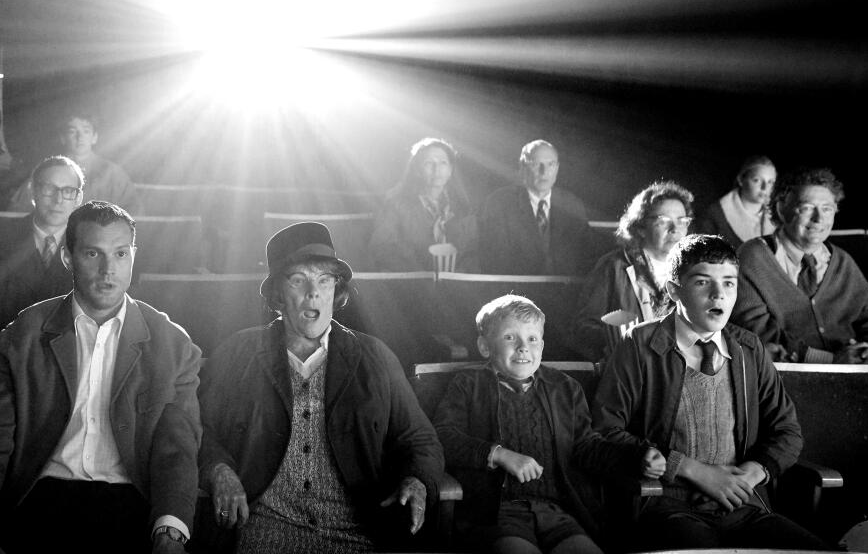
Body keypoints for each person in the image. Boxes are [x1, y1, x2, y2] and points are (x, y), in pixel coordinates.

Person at [0, 201, 201, 553]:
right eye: (92, 253)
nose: (107, 270)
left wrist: (170, 532)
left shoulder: (172, 344)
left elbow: (177, 451)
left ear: (133, 255)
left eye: (119, 254)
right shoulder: (23, 334)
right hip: (38, 498)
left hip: (132, 505)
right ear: (67, 257)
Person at [198, 222, 444, 553]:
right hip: (265, 528)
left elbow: (421, 440)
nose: (313, 292)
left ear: (335, 291)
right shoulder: (238, 353)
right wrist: (219, 470)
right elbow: (197, 429)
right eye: (298, 280)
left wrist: (417, 481)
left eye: (324, 280)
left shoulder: (374, 357)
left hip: (357, 531)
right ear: (277, 294)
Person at [591, 234, 829, 550]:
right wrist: (690, 469)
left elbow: (786, 432)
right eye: (704, 283)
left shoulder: (747, 347)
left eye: (729, 283)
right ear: (675, 289)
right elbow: (606, 430)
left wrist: (751, 474)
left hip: (742, 505)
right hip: (667, 506)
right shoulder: (639, 344)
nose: (719, 295)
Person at [433, 295, 659, 554]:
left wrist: (636, 457)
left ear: (542, 344)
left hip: (558, 512)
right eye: (509, 337)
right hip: (495, 513)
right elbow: (444, 437)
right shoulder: (467, 386)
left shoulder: (564, 388)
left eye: (532, 339)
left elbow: (587, 447)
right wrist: (498, 454)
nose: (522, 347)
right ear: (485, 346)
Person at [732, 167, 868, 364]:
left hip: (856, 374)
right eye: (806, 208)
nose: (818, 219)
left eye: (827, 209)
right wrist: (832, 361)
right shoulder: (751, 257)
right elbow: (757, 336)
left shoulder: (842, 261)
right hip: (788, 382)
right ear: (781, 209)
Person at [0, 155, 84, 357]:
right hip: (1, 355)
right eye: (49, 188)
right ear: (32, 191)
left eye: (68, 191)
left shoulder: (87, 246)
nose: (58, 199)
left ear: (78, 198)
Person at [570, 181, 694, 362]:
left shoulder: (694, 270)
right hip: (627, 368)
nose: (675, 229)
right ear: (641, 227)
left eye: (682, 221)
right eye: (664, 221)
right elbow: (583, 327)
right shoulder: (614, 266)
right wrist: (623, 338)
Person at [478, 140, 593, 277]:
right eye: (536, 164)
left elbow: (585, 257)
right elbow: (493, 261)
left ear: (557, 168)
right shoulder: (499, 203)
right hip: (514, 291)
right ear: (522, 167)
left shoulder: (572, 205)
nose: (544, 172)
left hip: (564, 293)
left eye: (550, 164)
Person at [369, 137, 479, 272]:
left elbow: (472, 251)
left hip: (456, 286)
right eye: (429, 163)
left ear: (450, 170)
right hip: (411, 283)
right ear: (417, 170)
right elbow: (383, 249)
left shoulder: (462, 206)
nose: (436, 169)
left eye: (443, 163)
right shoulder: (395, 204)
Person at [5, 109, 138, 214]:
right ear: (63, 138)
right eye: (72, 131)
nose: (80, 137)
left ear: (94, 137)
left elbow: (134, 213)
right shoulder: (46, 171)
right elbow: (18, 211)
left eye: (86, 131)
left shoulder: (113, 174)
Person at [692, 155, 778, 249]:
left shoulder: (778, 216)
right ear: (741, 180)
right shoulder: (715, 216)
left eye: (770, 182)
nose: (764, 188)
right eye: (756, 180)